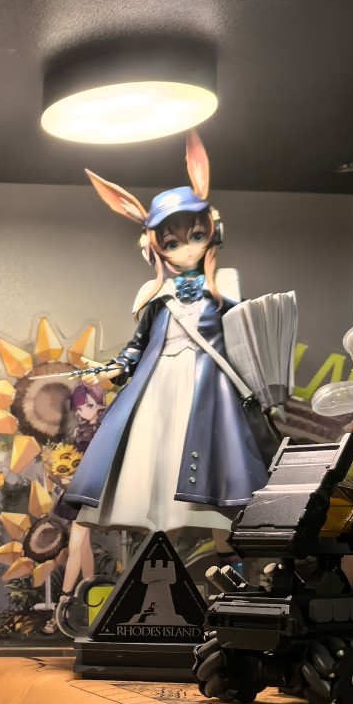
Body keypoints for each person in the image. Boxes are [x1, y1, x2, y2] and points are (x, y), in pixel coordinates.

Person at [64, 131, 270, 546]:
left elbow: (247, 339)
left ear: (213, 232)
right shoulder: (156, 295)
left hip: (209, 387)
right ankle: (159, 551)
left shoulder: (224, 289)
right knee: (153, 459)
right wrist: (115, 367)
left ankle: (229, 559)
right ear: (154, 247)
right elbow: (138, 345)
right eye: (172, 242)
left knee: (220, 470)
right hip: (158, 385)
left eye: (196, 236)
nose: (186, 249)